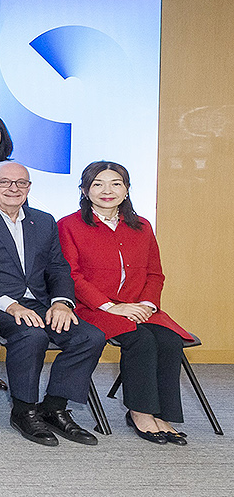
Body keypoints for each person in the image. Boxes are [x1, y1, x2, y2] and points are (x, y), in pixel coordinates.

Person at [0, 161, 104, 447]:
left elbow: (58, 268)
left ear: (29, 188)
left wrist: (62, 303)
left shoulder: (43, 221)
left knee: (90, 337)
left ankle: (54, 407)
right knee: (32, 335)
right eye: (4, 182)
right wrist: (10, 306)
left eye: (21, 183)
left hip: (41, 303)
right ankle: (24, 410)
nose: (13, 188)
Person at [58, 161, 194, 445]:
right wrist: (111, 307)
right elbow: (71, 275)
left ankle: (164, 415)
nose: (107, 190)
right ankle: (140, 412)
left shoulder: (141, 225)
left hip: (138, 307)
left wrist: (147, 304)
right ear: (84, 190)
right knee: (141, 340)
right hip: (93, 308)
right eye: (98, 184)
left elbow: (155, 273)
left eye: (116, 184)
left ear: (127, 189)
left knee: (169, 340)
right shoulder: (68, 225)